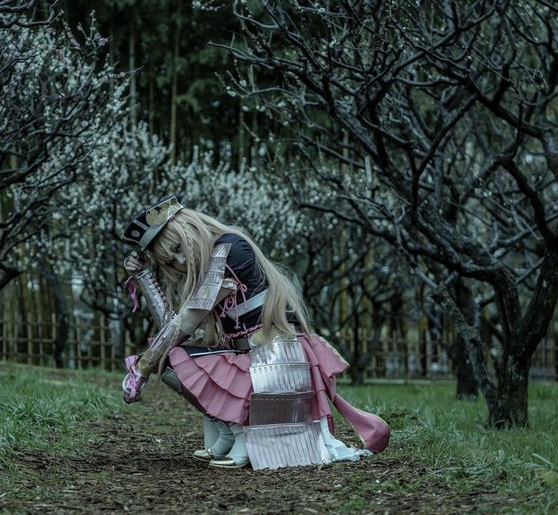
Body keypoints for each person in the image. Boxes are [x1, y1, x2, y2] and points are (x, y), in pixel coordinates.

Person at [119, 195, 390, 469]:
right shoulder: (211, 261)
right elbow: (171, 328)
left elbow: (186, 322)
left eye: (178, 248)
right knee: (171, 357)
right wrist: (144, 276)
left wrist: (142, 368)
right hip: (251, 359)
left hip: (275, 362)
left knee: (167, 355)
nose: (180, 260)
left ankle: (241, 435)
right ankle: (228, 431)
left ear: (191, 228)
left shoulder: (229, 249)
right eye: (170, 261)